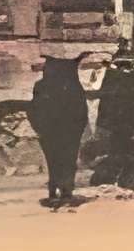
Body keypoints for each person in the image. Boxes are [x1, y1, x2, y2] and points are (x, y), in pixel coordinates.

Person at [29, 58, 90, 209]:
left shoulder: (42, 86)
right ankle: (63, 192)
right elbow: (82, 111)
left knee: (55, 160)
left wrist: (39, 128)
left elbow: (34, 110)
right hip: (63, 132)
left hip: (55, 131)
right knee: (65, 160)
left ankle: (58, 191)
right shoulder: (73, 87)